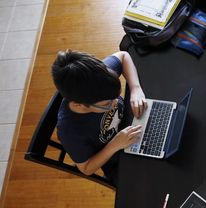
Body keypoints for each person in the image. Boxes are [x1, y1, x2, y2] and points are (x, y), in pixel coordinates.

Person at [51, 50, 148, 185]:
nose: (115, 103)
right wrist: (115, 144)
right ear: (79, 105)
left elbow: (123, 56)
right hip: (117, 157)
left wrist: (136, 89)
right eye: (107, 104)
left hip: (132, 119)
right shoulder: (70, 131)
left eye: (115, 97)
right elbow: (86, 168)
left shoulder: (97, 79)